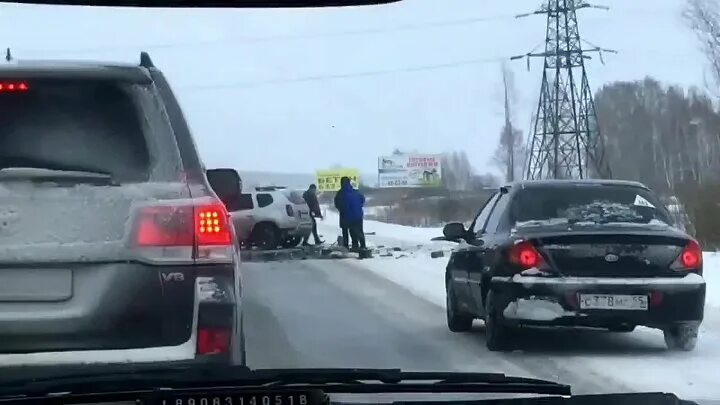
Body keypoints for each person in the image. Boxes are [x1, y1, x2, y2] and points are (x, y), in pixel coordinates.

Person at [334, 176, 366, 250]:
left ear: (341, 183)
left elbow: (337, 204)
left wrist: (341, 209)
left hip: (345, 215)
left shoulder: (340, 194)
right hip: (358, 215)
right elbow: (362, 200)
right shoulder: (356, 192)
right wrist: (358, 207)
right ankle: (361, 246)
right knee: (358, 231)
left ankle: (345, 246)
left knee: (345, 231)